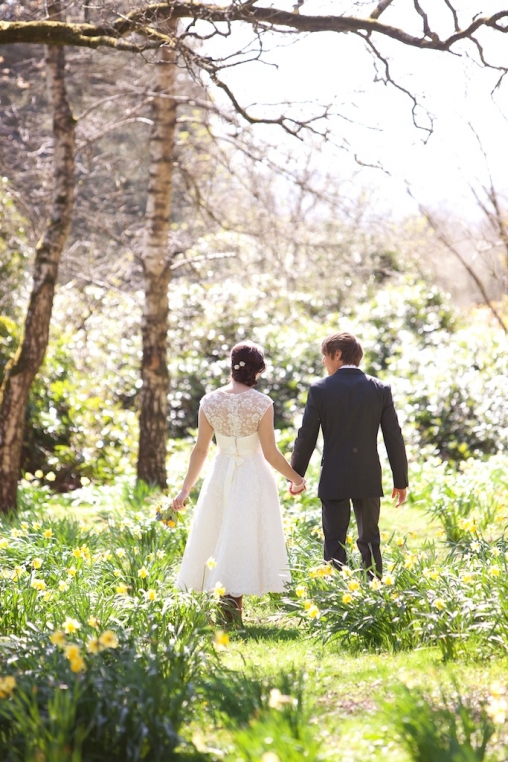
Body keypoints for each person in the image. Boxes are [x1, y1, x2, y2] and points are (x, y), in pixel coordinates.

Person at [172, 340, 305, 622]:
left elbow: (201, 449)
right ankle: (231, 612)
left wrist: (185, 490)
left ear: (231, 366)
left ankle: (227, 613)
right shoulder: (262, 403)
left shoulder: (209, 401)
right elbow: (270, 452)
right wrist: (296, 479)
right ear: (258, 371)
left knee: (219, 532)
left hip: (220, 474)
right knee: (241, 537)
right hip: (252, 476)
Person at [290, 331, 408, 578]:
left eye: (325, 356)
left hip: (333, 476)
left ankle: (336, 594)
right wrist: (400, 480)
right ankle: (374, 590)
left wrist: (295, 476)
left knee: (333, 540)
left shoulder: (320, 389)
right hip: (367, 475)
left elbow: (306, 436)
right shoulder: (380, 389)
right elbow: (393, 437)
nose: (323, 362)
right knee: (370, 538)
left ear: (337, 354)